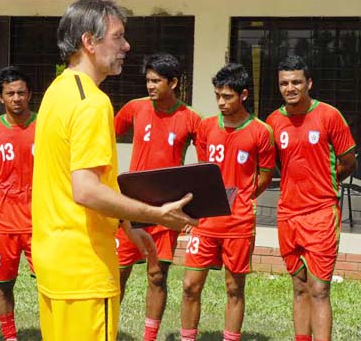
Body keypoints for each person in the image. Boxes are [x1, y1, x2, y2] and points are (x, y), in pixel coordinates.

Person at [31, 0, 197, 341]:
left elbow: (79, 178)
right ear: (89, 42)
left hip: (54, 262)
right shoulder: (92, 103)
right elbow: (86, 189)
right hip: (85, 268)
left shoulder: (57, 90)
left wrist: (127, 226)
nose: (126, 46)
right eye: (118, 37)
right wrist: (155, 214)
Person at [181, 63, 275, 341]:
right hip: (206, 222)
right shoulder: (207, 127)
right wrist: (198, 211)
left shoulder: (261, 131)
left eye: (228, 96)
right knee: (189, 286)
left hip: (239, 225)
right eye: (218, 96)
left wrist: (242, 199)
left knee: (234, 289)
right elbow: (203, 173)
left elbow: (265, 176)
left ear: (244, 94)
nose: (221, 102)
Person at [266, 55, 356, 341]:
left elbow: (348, 161)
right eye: (284, 83)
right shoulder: (273, 122)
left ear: (309, 83)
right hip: (288, 215)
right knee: (299, 286)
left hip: (320, 214)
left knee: (319, 289)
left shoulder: (329, 115)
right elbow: (281, 164)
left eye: (296, 82)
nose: (290, 88)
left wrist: (324, 182)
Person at [114, 52, 201, 341]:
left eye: (157, 81)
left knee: (156, 276)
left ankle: (149, 337)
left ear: (173, 82)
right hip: (132, 207)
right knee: (117, 274)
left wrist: (195, 211)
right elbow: (103, 140)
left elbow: (204, 167)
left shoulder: (190, 119)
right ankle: (107, 333)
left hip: (166, 210)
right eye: (148, 80)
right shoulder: (134, 108)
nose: (150, 86)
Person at [0, 66, 36, 341]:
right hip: (4, 220)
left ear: (30, 95)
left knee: (49, 282)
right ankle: (9, 336)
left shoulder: (45, 124)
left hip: (40, 220)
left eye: (21, 93)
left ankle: (53, 330)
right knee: (3, 283)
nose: (17, 98)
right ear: (1, 98)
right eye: (10, 93)